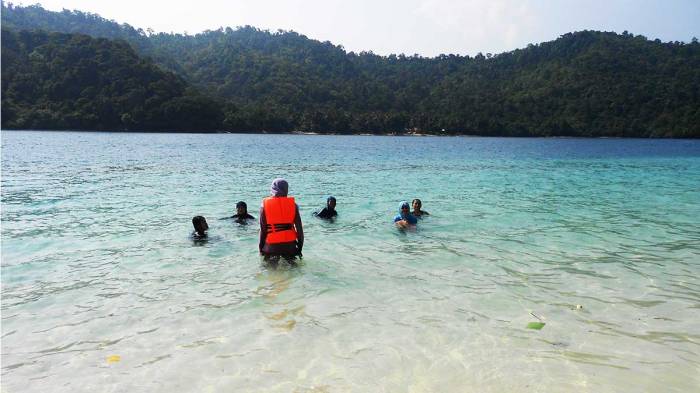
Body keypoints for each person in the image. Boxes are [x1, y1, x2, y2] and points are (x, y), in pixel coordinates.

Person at [259, 178, 304, 261]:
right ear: (286, 189)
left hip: (272, 247)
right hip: (290, 246)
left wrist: (261, 248)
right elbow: (299, 230)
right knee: (293, 270)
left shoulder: (264, 206)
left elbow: (263, 230)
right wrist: (299, 247)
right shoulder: (293, 205)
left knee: (270, 271)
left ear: (273, 189)